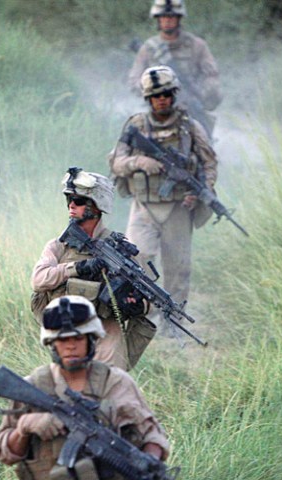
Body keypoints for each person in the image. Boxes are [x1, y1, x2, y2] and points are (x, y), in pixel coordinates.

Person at [0, 295, 170, 480]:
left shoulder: (117, 383)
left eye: (78, 338)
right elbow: (4, 453)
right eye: (63, 339)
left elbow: (154, 435)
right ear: (51, 343)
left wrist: (148, 459)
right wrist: (23, 428)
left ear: (92, 339)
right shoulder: (33, 387)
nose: (70, 345)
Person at [109, 66, 218, 330]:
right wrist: (140, 161)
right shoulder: (136, 125)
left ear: (174, 95)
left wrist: (199, 191)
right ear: (148, 98)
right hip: (144, 206)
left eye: (167, 94)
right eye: (156, 95)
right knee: (137, 261)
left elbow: (209, 164)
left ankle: (174, 322)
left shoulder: (190, 128)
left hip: (178, 209)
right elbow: (116, 161)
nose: (162, 99)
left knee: (178, 269)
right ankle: (139, 316)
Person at [31, 168, 155, 371]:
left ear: (97, 206)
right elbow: (38, 280)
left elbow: (149, 298)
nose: (71, 205)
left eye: (78, 201)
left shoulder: (122, 251)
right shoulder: (59, 246)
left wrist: (136, 305)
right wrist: (78, 267)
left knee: (108, 386)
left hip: (106, 330)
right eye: (69, 199)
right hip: (67, 331)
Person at [128, 0, 222, 137]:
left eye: (171, 17)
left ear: (179, 19)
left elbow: (212, 75)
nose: (167, 21)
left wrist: (205, 92)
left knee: (204, 140)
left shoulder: (197, 45)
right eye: (163, 17)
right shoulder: (148, 48)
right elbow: (134, 79)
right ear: (158, 20)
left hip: (191, 105)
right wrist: (150, 89)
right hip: (158, 108)